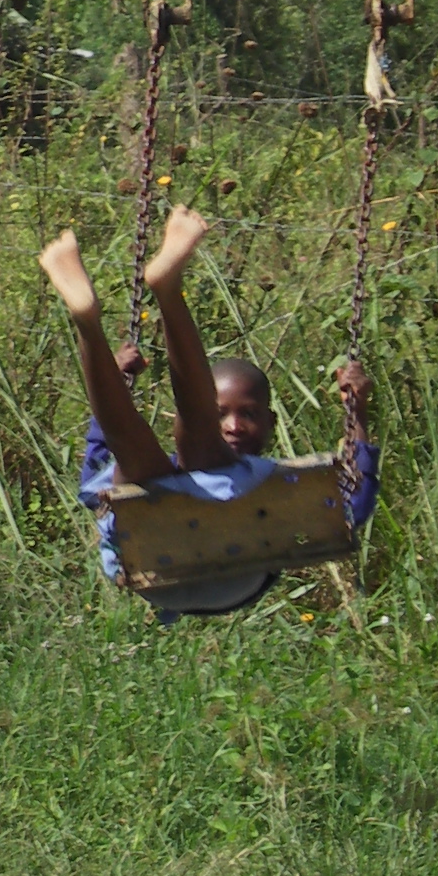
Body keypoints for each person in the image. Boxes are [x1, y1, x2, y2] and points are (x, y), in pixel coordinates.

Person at [44, 209, 377, 621]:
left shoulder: (254, 476)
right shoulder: (277, 482)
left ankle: (89, 323)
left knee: (140, 456)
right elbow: (352, 509)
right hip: (219, 575)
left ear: (272, 423)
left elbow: (93, 480)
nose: (235, 426)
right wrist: (357, 421)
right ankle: (161, 291)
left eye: (248, 415)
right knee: (174, 455)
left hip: (167, 571)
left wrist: (356, 413)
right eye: (221, 414)